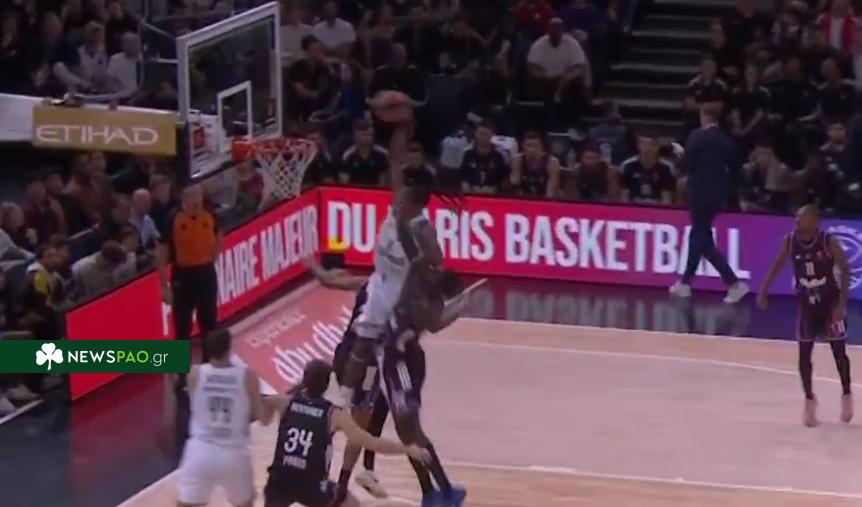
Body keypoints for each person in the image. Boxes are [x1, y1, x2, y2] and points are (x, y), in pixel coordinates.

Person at [263, 360, 430, 507]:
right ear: (328, 384)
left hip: (281, 480)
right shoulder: (333, 414)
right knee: (355, 504)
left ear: (304, 381)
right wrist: (407, 449)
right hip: (312, 485)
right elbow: (371, 442)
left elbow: (255, 405)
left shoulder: (284, 402)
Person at [757, 205, 853, 427]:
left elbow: (845, 269)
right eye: (796, 218)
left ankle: (847, 393)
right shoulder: (790, 241)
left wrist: (841, 305)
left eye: (801, 218)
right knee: (804, 354)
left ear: (815, 221)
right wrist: (763, 289)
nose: (797, 221)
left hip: (829, 303)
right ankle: (809, 399)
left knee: (839, 352)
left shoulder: (828, 241)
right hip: (806, 304)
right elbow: (778, 264)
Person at [303, 258, 389, 500]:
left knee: (335, 415)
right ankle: (343, 483)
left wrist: (313, 267)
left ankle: (316, 470)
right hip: (366, 360)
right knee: (359, 424)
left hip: (343, 355)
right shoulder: (397, 295)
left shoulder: (367, 282)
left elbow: (327, 281)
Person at [176, 329, 272, 507]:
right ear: (229, 348)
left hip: (200, 451)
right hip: (234, 453)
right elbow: (264, 419)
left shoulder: (194, 374)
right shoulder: (247, 376)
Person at [670, 103, 749, 303]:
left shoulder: (697, 136)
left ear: (703, 116)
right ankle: (685, 283)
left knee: (702, 241)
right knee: (698, 235)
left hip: (700, 194)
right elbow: (737, 170)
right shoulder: (725, 140)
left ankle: (733, 283)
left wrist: (679, 154)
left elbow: (684, 165)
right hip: (718, 196)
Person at [157, 184, 221, 365]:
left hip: (206, 273)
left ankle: (209, 365)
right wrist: (164, 285)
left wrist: (214, 255)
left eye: (198, 195)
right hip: (183, 276)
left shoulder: (210, 214)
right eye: (191, 196)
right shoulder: (173, 218)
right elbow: (161, 251)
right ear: (183, 198)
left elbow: (219, 234)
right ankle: (181, 370)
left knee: (209, 322)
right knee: (182, 326)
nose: (195, 200)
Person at [510, 131, 561, 198]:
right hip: (524, 199)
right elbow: (515, 188)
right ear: (523, 148)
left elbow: (551, 192)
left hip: (544, 199)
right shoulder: (518, 160)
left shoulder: (552, 162)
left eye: (536, 146)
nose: (531, 150)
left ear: (542, 149)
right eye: (528, 146)